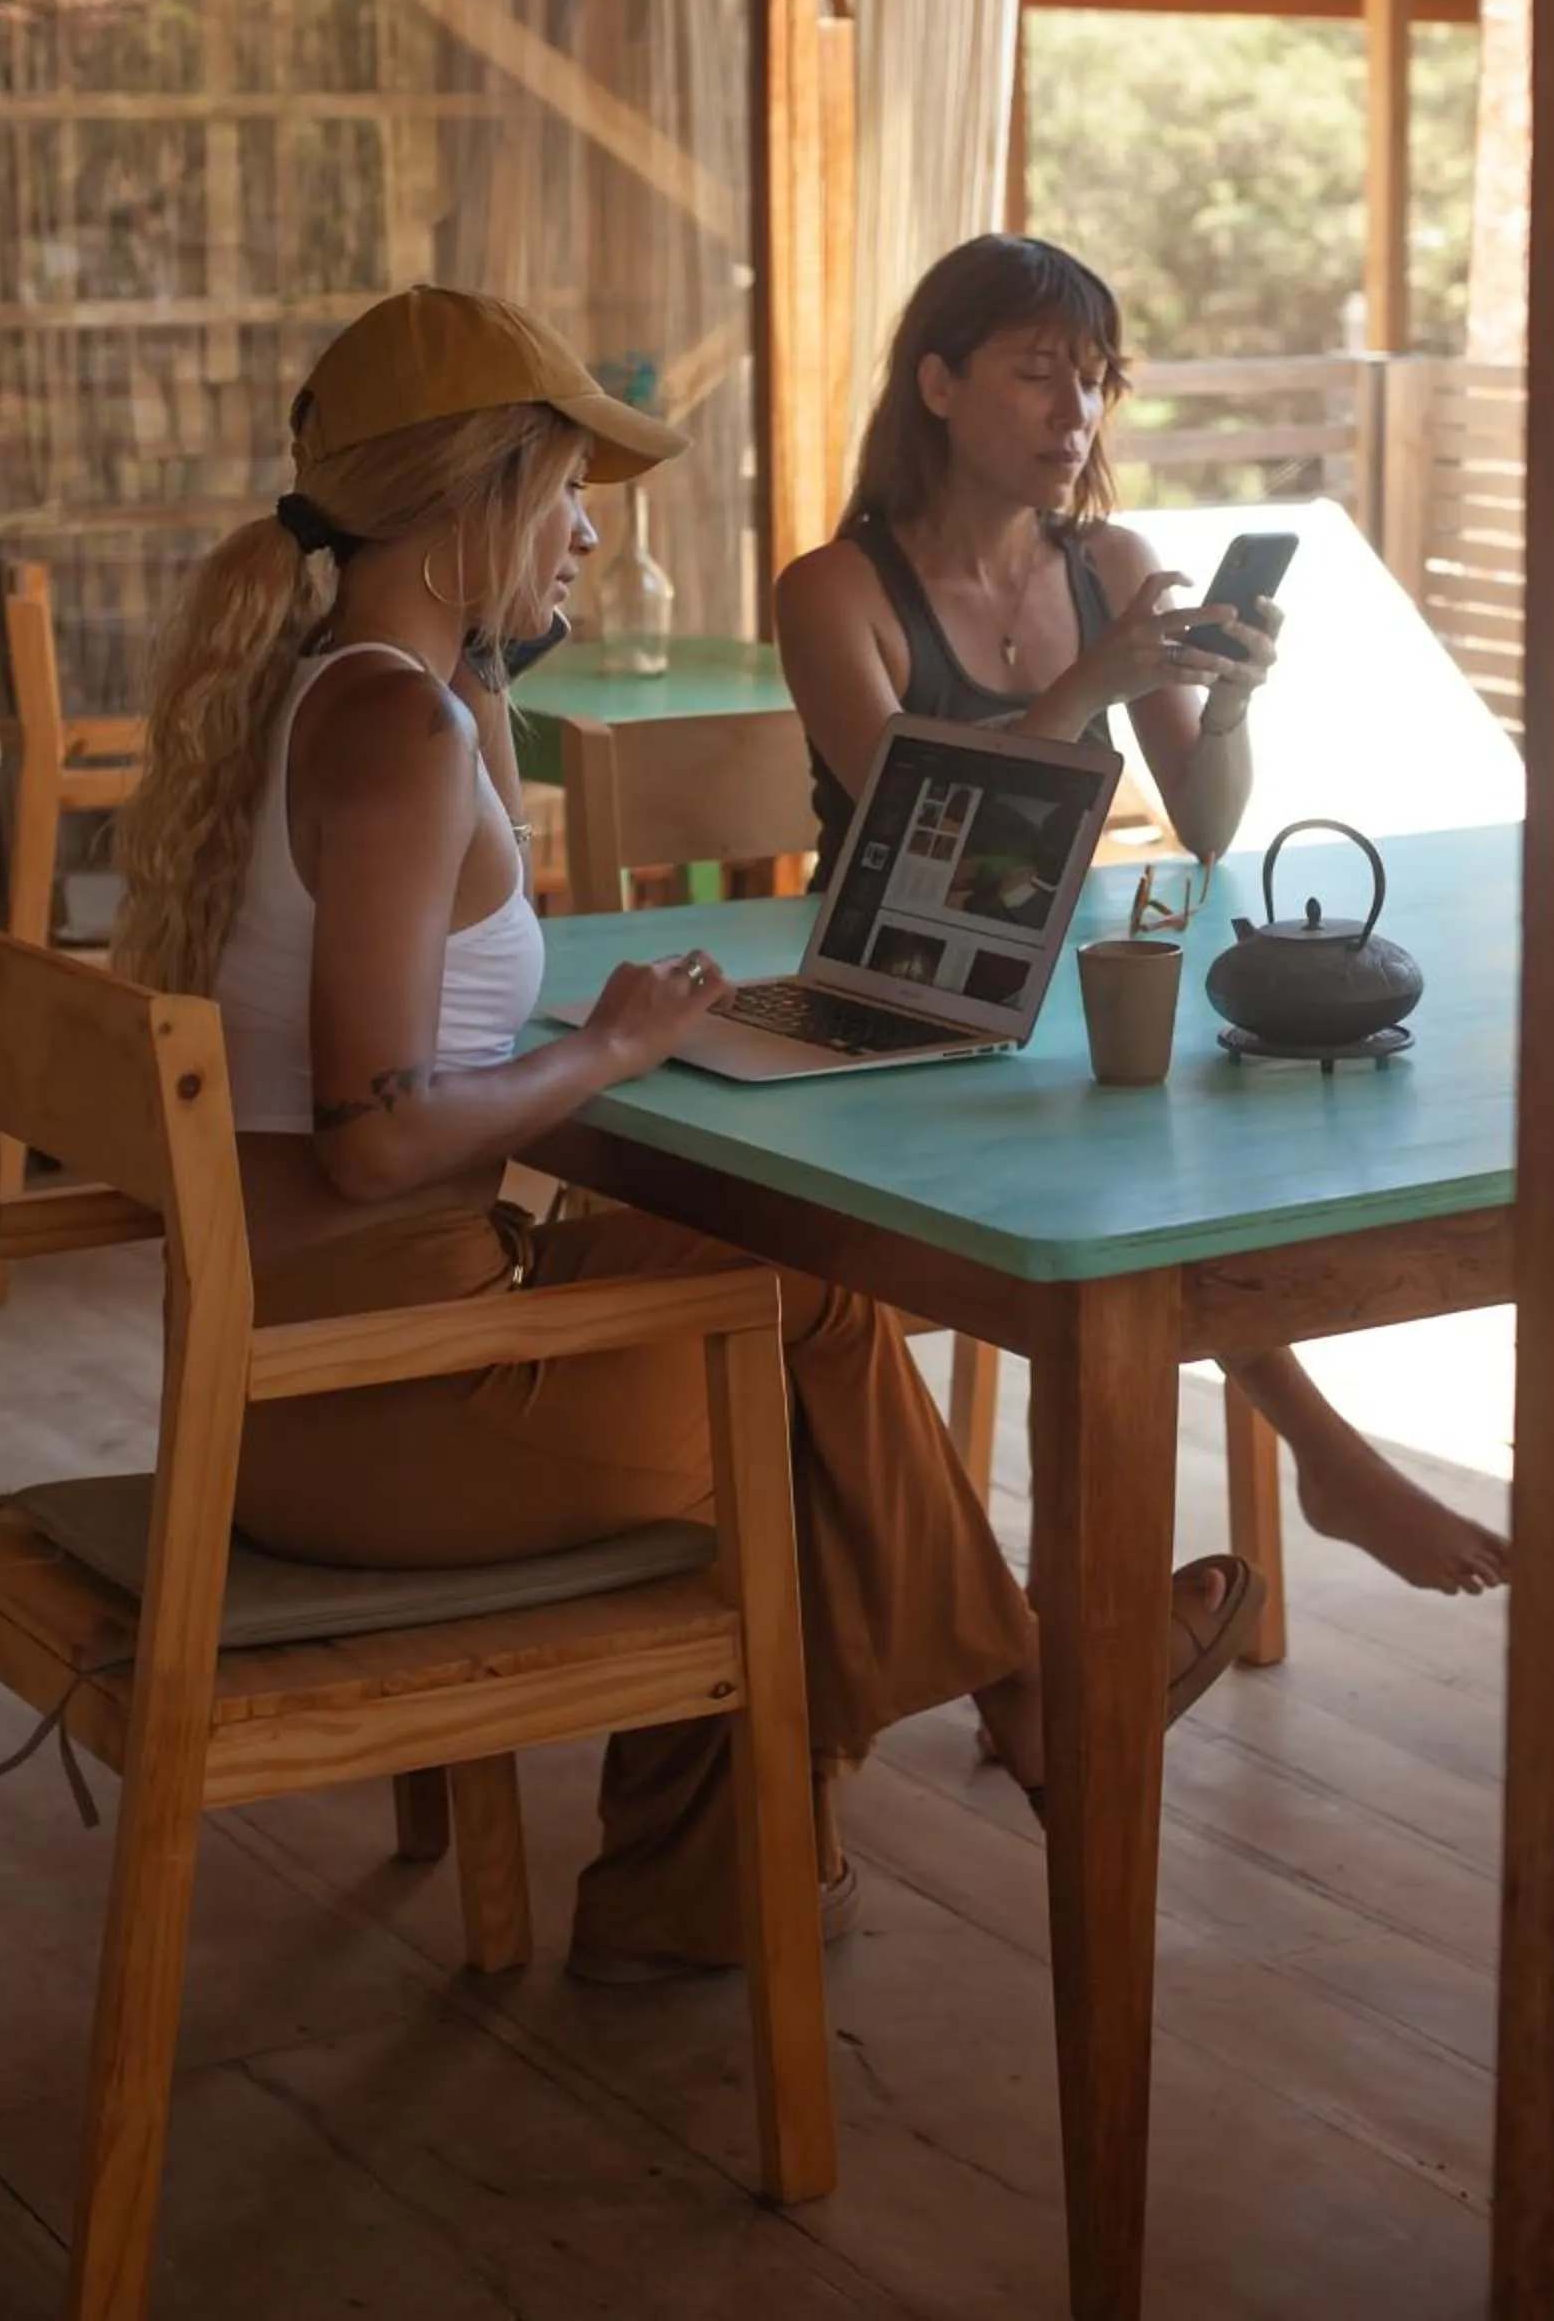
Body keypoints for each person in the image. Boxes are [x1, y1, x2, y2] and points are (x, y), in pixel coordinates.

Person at [112, 282, 1266, 1983]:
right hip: (370, 1418)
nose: (589, 535)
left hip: (311, 1372)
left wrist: (509, 740)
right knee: (794, 1383)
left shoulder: (360, 693)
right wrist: (613, 1042)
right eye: (568, 492)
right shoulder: (388, 730)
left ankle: (724, 1875)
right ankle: (1028, 1703)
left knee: (774, 1288)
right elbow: (373, 1139)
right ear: (470, 507)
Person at [775, 236, 1510, 1600]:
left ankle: (1199, 1542)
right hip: (888, 997)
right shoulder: (833, 589)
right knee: (1122, 1172)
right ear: (936, 384)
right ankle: (1325, 1454)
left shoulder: (1108, 561)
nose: (1078, 416)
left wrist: (1225, 696)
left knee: (1169, 1144)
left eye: (1098, 382)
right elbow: (899, 836)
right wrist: (1082, 689)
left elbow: (1214, 820)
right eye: (1040, 375)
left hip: (1060, 980)